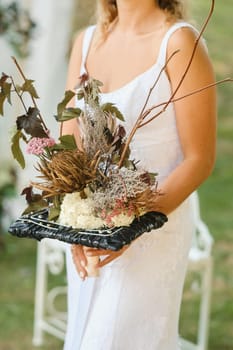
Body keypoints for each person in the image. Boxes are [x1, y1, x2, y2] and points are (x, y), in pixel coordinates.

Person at [61, 0, 216, 349]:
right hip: (91, 231)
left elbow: (199, 159)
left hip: (154, 229)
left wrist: (131, 225)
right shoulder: (86, 42)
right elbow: (70, 144)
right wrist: (76, 223)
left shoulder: (178, 43)